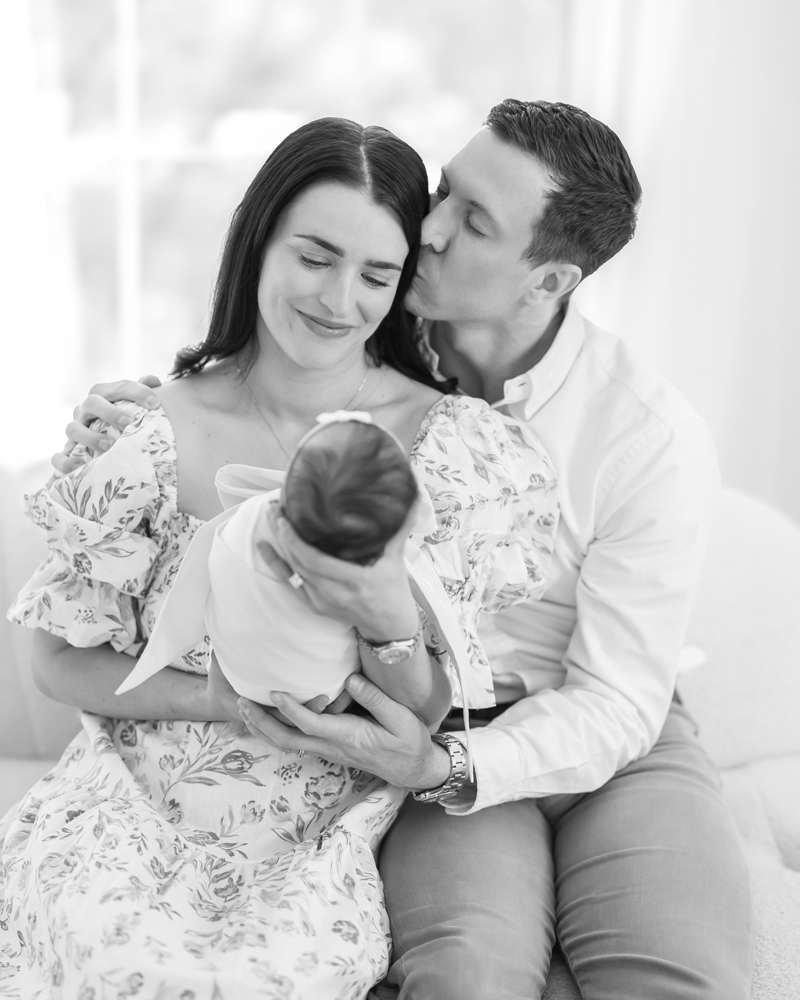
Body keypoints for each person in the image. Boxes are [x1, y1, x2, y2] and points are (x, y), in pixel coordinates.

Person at [55, 99, 754, 1000]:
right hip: (427, 719)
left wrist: (443, 766)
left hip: (596, 728)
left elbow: (616, 700)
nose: (428, 230)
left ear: (547, 281)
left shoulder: (644, 435)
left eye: (472, 221)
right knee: (467, 971)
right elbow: (259, 360)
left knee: (677, 975)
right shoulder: (368, 323)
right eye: (445, 191)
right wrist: (130, 419)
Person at [0, 116, 560, 999]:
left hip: (324, 816)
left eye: (377, 274)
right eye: (315, 256)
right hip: (131, 801)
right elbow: (58, 663)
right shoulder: (142, 433)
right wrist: (212, 699)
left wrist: (383, 611)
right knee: (119, 962)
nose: (340, 300)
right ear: (259, 241)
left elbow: (432, 708)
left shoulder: (452, 452)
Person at [114, 412, 428, 708]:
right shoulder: (140, 441)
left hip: (263, 685)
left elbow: (430, 715)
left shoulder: (249, 519)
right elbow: (64, 663)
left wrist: (388, 624)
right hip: (326, 691)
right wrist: (207, 702)